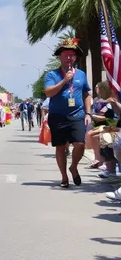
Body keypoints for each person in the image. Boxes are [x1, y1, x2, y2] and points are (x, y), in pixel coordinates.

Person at [44, 38, 92, 188]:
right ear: (60, 57)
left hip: (77, 115)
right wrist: (64, 80)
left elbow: (86, 94)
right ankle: (64, 176)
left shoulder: (81, 74)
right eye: (66, 55)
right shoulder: (51, 75)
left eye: (72, 55)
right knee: (60, 147)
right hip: (57, 117)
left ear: (75, 57)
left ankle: (74, 167)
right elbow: (49, 92)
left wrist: (88, 113)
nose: (69, 58)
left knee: (80, 144)